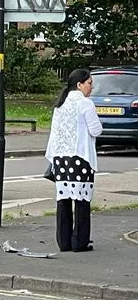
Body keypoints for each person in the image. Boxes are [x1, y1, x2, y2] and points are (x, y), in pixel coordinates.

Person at [45, 68, 102, 252]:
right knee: (82, 201)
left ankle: (64, 242)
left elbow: (55, 133)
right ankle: (80, 242)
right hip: (80, 158)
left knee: (63, 199)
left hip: (61, 159)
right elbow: (96, 130)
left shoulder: (60, 104)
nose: (91, 88)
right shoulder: (85, 104)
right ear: (79, 85)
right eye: (89, 83)